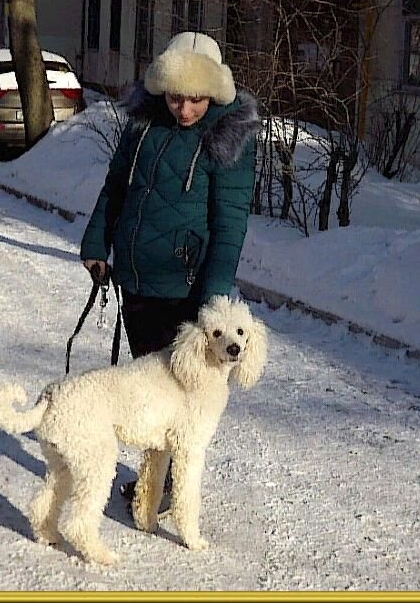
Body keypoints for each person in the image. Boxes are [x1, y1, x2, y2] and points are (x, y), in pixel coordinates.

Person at [79, 31, 261, 503]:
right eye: (177, 97)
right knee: (148, 396)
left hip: (187, 289)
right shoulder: (144, 122)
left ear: (214, 93)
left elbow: (230, 224)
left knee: (180, 399)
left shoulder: (229, 135)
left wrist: (215, 301)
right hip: (137, 279)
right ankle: (152, 487)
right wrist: (97, 240)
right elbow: (116, 185)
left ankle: (167, 491)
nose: (185, 110)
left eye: (197, 99)